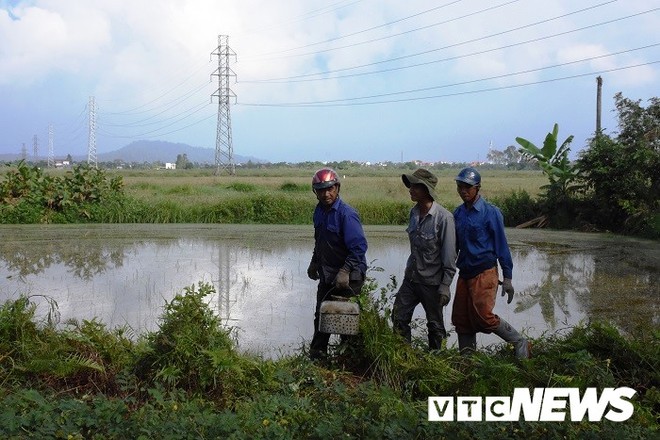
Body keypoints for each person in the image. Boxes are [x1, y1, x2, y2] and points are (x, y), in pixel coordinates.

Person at [452, 167, 530, 359]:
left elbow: (501, 246)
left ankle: (520, 342)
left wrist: (508, 277)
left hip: (484, 271)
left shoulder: (490, 213)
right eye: (460, 187)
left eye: (468, 187)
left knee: (484, 317)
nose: (463, 191)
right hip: (465, 272)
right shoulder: (458, 213)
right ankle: (468, 362)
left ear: (477, 188)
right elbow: (454, 247)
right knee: (461, 320)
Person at [306, 168, 368, 360]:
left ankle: (348, 359)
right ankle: (318, 356)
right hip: (327, 272)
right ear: (315, 191)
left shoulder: (346, 214)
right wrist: (314, 262)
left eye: (330, 189)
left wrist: (345, 271)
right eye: (321, 190)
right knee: (322, 315)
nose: (326, 194)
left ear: (337, 188)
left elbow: (359, 247)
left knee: (344, 318)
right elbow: (320, 240)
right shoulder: (319, 211)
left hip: (349, 275)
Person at [392, 169, 457, 351]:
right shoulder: (413, 213)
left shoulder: (444, 218)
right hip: (411, 279)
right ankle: (404, 355)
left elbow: (450, 256)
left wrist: (445, 286)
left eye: (415, 186)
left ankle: (436, 359)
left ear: (425, 189)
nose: (410, 189)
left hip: (432, 283)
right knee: (398, 316)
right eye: (410, 186)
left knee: (435, 325)